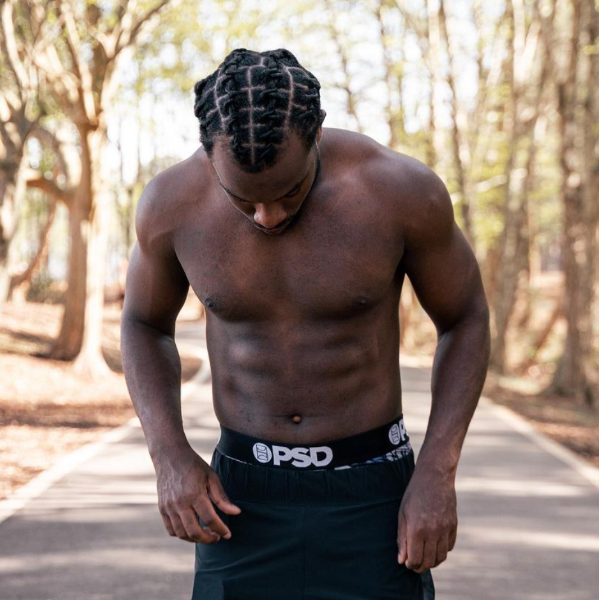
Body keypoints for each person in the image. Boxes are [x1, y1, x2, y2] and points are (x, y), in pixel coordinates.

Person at [120, 47, 490, 600]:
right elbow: (143, 325)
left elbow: (464, 318)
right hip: (240, 498)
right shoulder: (171, 204)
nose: (267, 217)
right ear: (208, 151)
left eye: (288, 192)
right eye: (244, 200)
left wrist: (438, 470)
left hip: (374, 493)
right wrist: (168, 455)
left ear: (316, 132)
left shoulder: (399, 192)